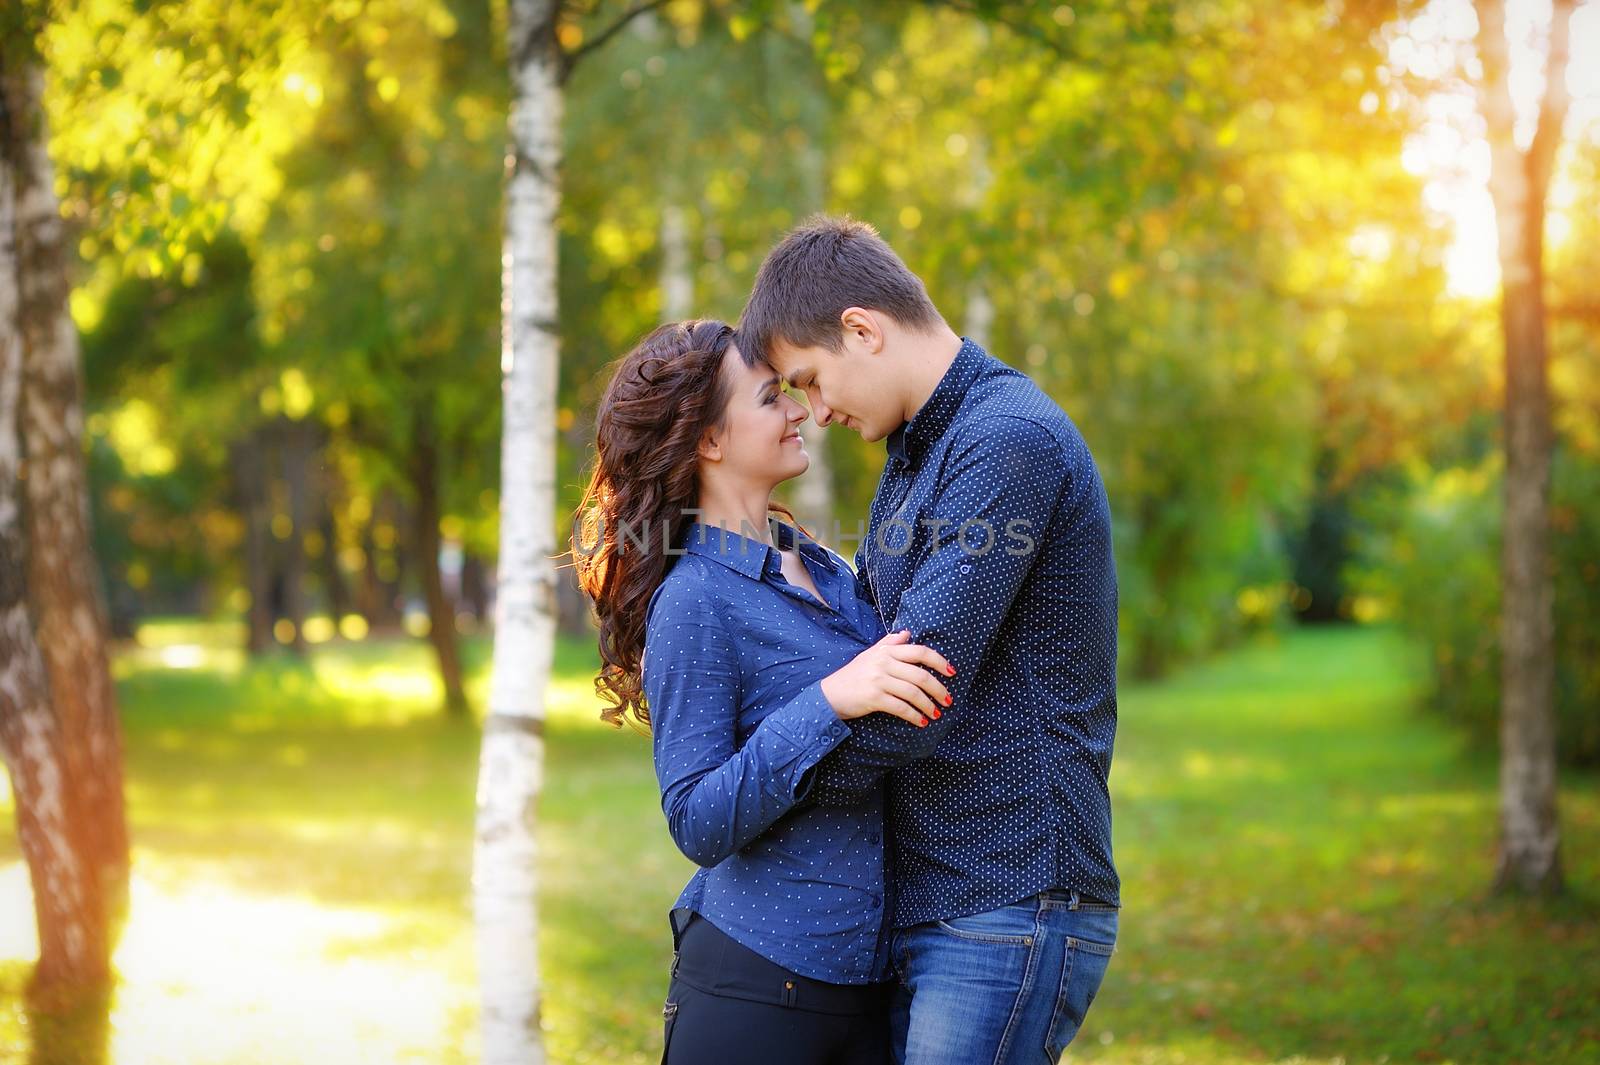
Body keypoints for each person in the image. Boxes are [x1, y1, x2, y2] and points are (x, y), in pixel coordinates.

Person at [736, 216, 1122, 1065]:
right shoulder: (919, 452)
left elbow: (917, 688)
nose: (816, 410)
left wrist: (752, 792)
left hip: (1007, 896)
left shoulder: (1005, 441)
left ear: (862, 330)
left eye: (809, 378)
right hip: (936, 898)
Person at [573, 319, 954, 1065]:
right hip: (756, 991)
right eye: (771, 397)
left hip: (869, 987)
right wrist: (828, 702)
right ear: (709, 440)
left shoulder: (825, 568)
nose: (800, 411)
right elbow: (695, 817)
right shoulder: (695, 600)